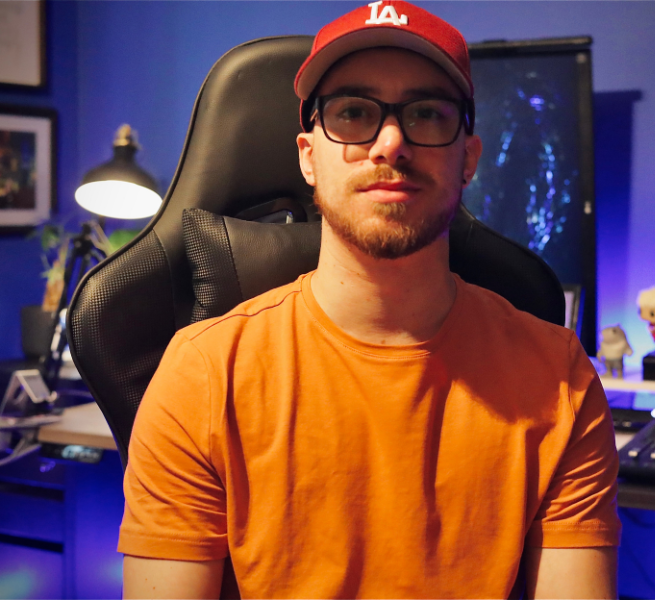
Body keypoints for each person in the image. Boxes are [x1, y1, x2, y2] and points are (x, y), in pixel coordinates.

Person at [120, 2, 621, 597]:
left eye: (426, 114)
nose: (390, 143)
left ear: (468, 158)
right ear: (308, 156)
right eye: (354, 113)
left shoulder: (559, 380)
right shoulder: (203, 377)